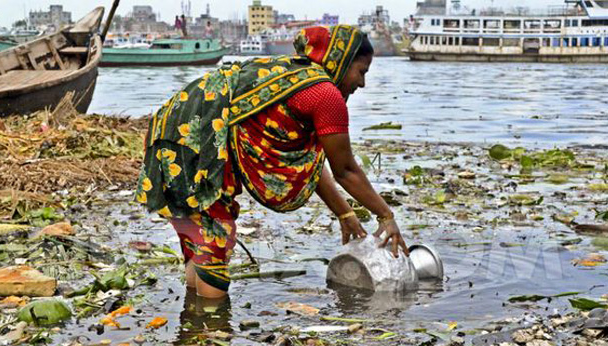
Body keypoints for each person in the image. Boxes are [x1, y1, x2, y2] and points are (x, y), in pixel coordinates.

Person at [135, 25, 407, 299]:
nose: (362, 83)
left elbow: (311, 167)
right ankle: (210, 331)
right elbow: (345, 169)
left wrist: (344, 213)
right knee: (215, 241)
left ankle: (195, 326)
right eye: (361, 72)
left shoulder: (296, 76)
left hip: (171, 134)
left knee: (200, 242)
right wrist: (386, 216)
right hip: (196, 144)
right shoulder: (325, 94)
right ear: (343, 61)